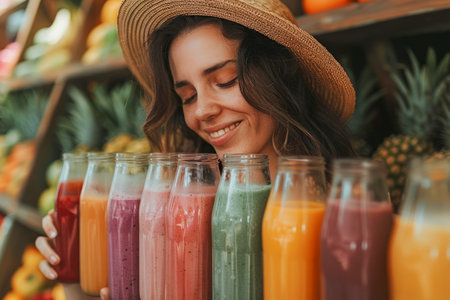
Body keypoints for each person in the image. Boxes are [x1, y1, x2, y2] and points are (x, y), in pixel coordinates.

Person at [36, 0, 356, 298]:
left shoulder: (342, 224)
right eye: (187, 96)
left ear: (278, 77)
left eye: (226, 80)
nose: (201, 111)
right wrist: (75, 273)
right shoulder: (183, 210)